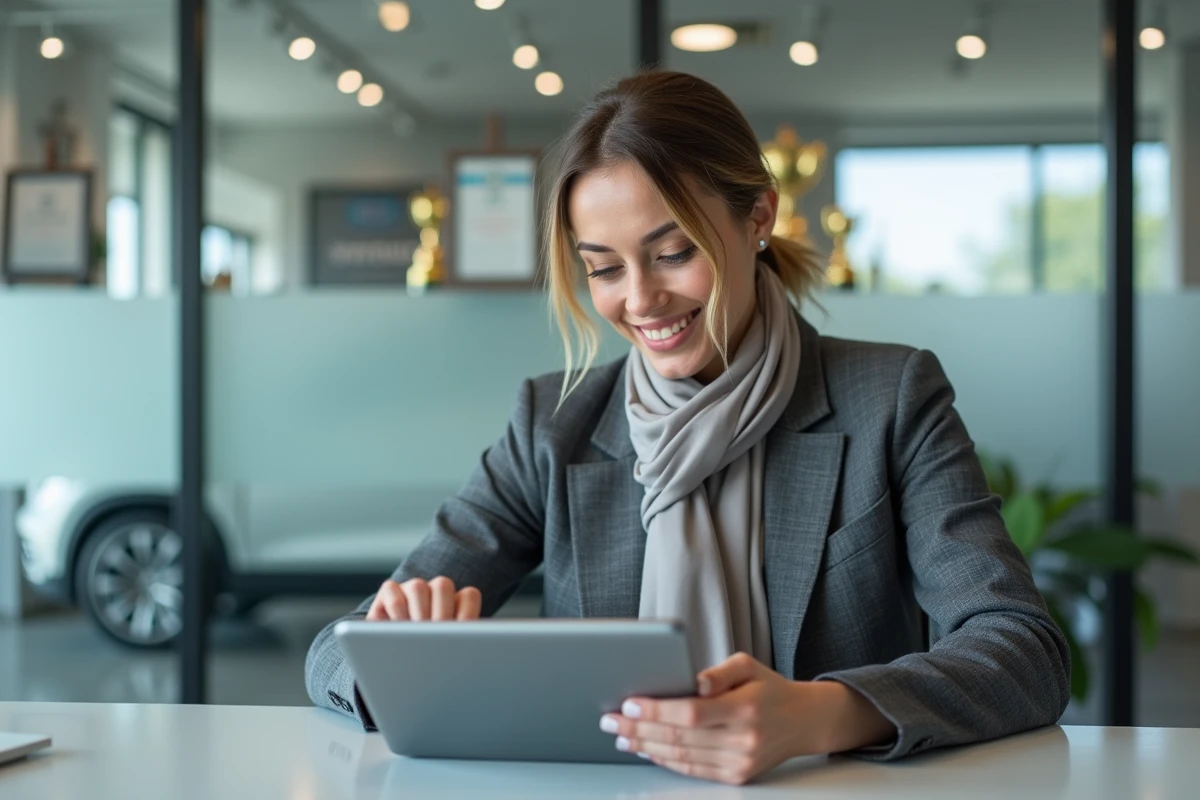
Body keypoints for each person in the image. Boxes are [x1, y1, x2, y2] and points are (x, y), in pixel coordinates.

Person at [306, 70, 1070, 786]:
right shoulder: (553, 424)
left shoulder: (889, 399)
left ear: (758, 217)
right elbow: (336, 650)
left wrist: (819, 715)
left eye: (673, 253)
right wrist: (399, 660)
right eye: (604, 268)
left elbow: (1023, 649)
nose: (641, 300)